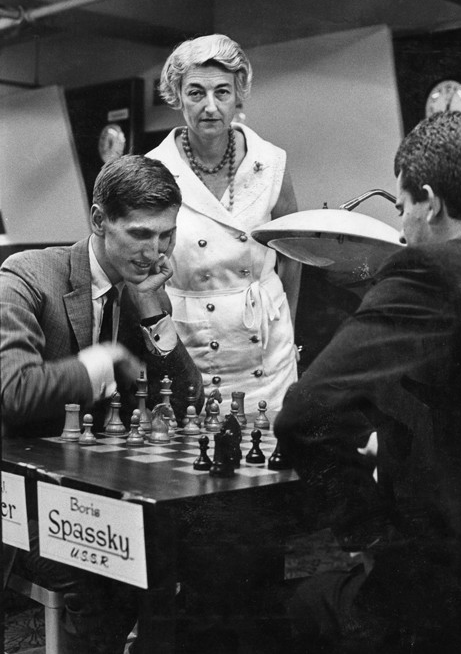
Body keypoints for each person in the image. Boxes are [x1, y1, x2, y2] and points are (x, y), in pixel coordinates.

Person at [274, 111, 461, 654]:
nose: (401, 229)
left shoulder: (431, 270)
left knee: (294, 608)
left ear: (430, 200)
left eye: (401, 208)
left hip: (448, 575)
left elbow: (305, 413)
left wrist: (367, 529)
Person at [1, 154, 204, 654]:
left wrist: (156, 318)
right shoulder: (27, 276)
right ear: (98, 220)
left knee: (193, 555)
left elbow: (186, 408)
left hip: (101, 489)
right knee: (104, 571)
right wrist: (103, 361)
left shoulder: (143, 288)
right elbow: (13, 393)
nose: (156, 252)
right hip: (19, 492)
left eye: (167, 235)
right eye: (140, 234)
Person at [147, 33, 301, 415]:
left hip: (268, 354)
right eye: (196, 93)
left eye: (222, 92)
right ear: (177, 95)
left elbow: (293, 256)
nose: (210, 107)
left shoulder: (272, 163)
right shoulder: (154, 169)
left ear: (239, 95)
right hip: (191, 347)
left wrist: (287, 326)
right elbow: (142, 271)